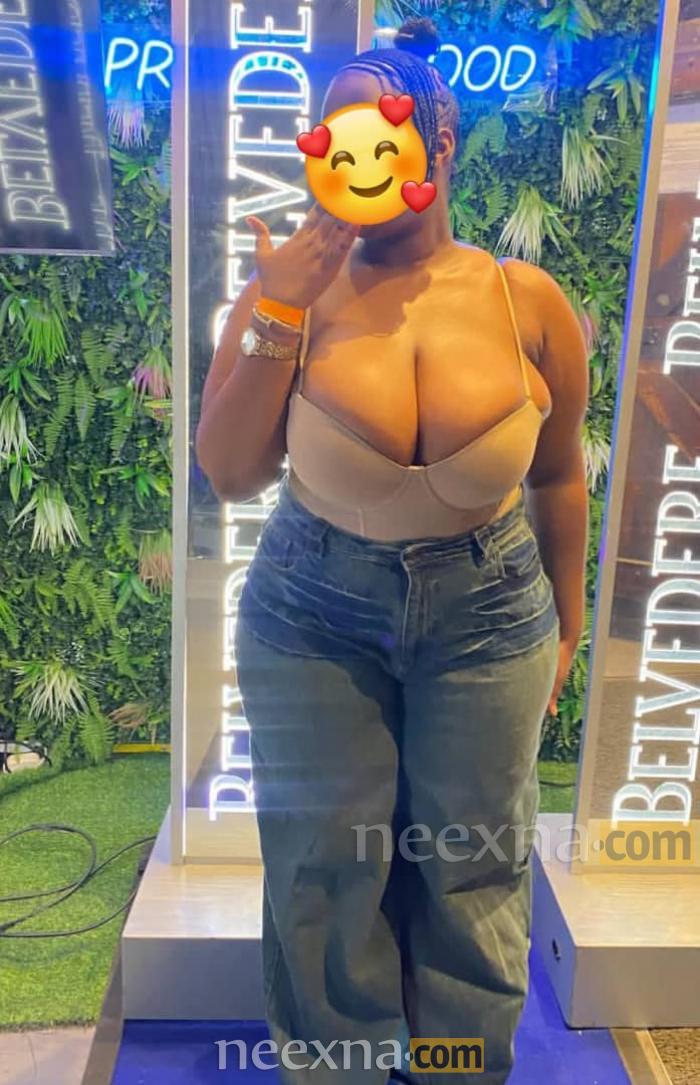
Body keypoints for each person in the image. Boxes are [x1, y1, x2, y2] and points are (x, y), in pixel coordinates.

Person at [195, 17, 589, 1085]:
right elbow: (227, 470)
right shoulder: (288, 289)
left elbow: (559, 475)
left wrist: (569, 623)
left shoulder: (524, 300)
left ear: (438, 142)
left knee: (477, 864)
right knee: (323, 868)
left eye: (375, 131)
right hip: (312, 614)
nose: (351, 156)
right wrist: (284, 302)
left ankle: (457, 1067)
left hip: (492, 613)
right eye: (331, 139)